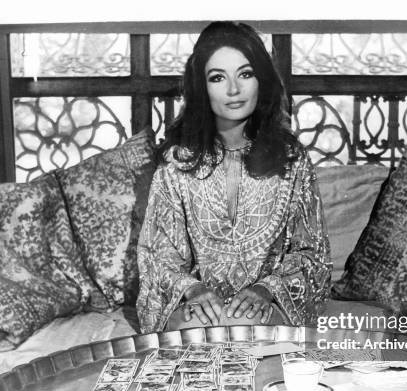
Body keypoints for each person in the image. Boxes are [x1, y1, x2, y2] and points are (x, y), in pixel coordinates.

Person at [137, 21, 331, 333]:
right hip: (198, 313)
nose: (233, 90)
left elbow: (312, 256)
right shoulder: (177, 163)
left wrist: (266, 289)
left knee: (245, 326)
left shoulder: (292, 160)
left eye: (245, 74)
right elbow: (157, 257)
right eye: (217, 78)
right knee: (198, 334)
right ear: (202, 87)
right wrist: (194, 290)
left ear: (261, 81)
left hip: (268, 308)